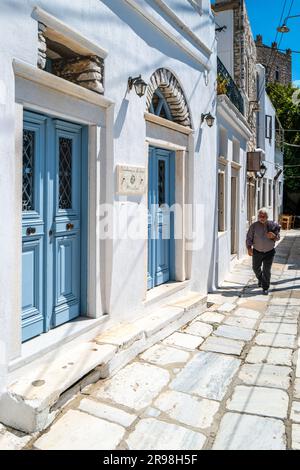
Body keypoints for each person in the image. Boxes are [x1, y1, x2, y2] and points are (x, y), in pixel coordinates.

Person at [246, 207, 281, 295]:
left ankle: (265, 287)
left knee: (266, 270)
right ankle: (261, 280)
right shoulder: (254, 226)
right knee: (255, 268)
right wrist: (249, 248)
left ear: (267, 216)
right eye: (260, 216)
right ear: (258, 216)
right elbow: (249, 238)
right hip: (257, 251)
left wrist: (273, 236)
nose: (262, 217)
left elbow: (278, 237)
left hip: (269, 252)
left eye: (264, 216)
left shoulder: (272, 225)